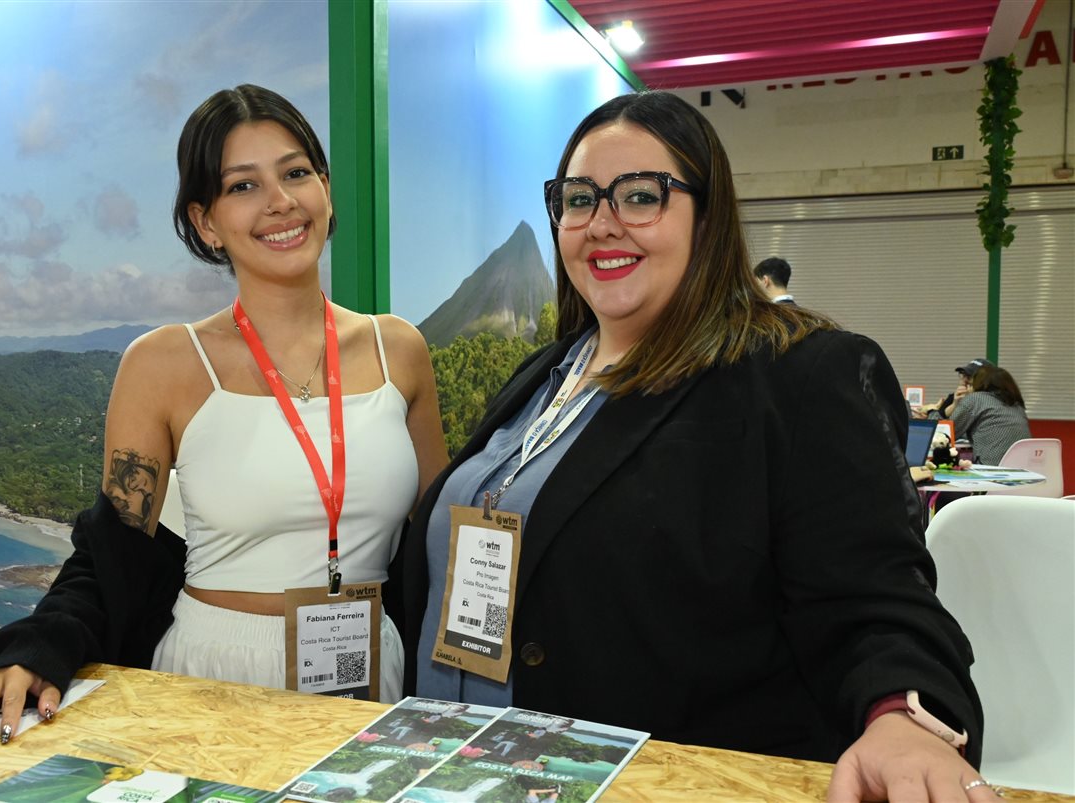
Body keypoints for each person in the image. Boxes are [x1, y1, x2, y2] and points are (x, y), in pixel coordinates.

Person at [396, 91, 994, 801]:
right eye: (579, 198)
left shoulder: (797, 374)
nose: (602, 224)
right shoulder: (544, 373)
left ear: (706, 217)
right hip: (448, 769)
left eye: (641, 196)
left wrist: (903, 719)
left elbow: (878, 599)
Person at [0, 85, 447, 748]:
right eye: (242, 186)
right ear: (205, 222)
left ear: (326, 188)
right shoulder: (165, 363)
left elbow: (440, 540)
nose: (279, 201)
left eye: (295, 173)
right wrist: (35, 646)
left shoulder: (398, 350)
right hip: (212, 679)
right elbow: (111, 551)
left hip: (369, 675)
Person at [953, 364, 1031, 465]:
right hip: (1024, 470)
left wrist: (934, 412)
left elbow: (949, 432)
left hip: (991, 471)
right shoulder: (1018, 406)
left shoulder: (976, 399)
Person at [920, 358, 994, 420]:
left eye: (969, 377)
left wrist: (931, 410)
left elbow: (953, 428)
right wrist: (954, 405)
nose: (964, 381)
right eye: (963, 375)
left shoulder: (989, 403)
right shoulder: (955, 396)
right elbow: (937, 421)